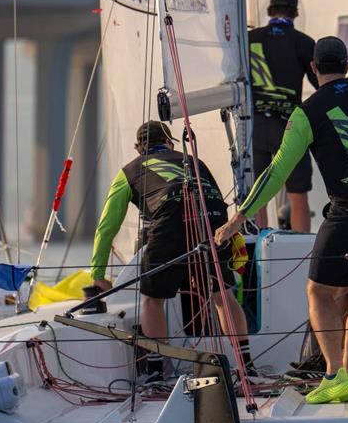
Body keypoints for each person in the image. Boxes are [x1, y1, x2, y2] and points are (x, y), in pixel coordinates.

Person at [215, 36, 348, 404]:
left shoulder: (307, 111)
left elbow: (278, 172)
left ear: (313, 69)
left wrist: (239, 216)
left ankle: (333, 374)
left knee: (318, 291)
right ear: (347, 66)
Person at [89, 121, 252, 380]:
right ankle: (247, 366)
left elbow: (107, 227)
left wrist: (98, 273)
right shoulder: (194, 161)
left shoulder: (129, 171)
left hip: (169, 222)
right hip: (212, 219)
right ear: (170, 143)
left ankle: (155, 371)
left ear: (138, 147)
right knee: (222, 294)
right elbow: (218, 201)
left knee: (154, 299)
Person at [249, 0, 348, 232]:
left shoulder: (249, 39)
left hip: (254, 128)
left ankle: (257, 258)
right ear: (296, 13)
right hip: (287, 127)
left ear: (269, 11)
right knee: (297, 196)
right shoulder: (303, 42)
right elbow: (328, 88)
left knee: (259, 196)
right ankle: (299, 253)